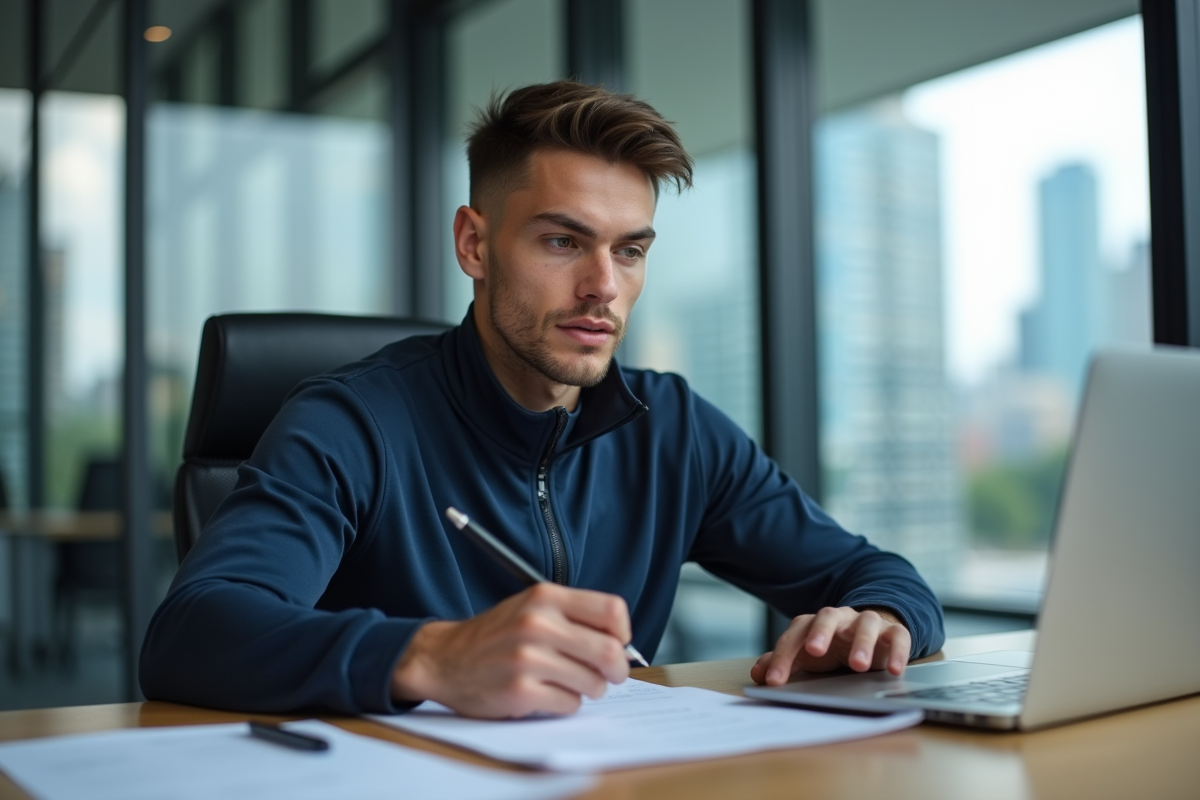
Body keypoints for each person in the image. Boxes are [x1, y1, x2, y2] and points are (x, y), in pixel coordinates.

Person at [140, 80, 944, 718]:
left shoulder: (675, 429)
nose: (604, 287)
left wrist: (881, 619)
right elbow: (191, 632)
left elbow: (875, 573)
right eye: (563, 241)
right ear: (475, 244)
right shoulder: (352, 420)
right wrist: (430, 657)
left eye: (629, 251)